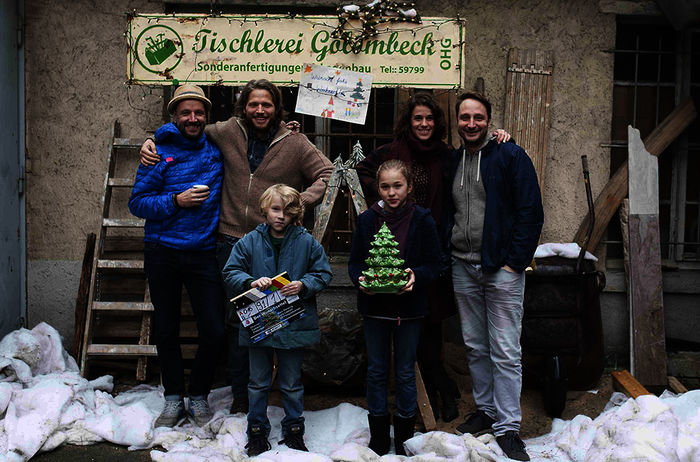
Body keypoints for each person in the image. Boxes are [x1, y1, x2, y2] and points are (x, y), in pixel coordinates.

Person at [140, 80, 333, 415]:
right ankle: (240, 393)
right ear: (244, 107)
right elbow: (187, 123)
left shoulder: (296, 143)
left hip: (271, 244)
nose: (260, 110)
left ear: (277, 109)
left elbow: (328, 173)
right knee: (232, 322)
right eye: (253, 104)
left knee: (268, 316)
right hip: (229, 243)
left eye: (267, 105)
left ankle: (265, 392)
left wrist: (296, 202)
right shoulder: (227, 131)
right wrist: (152, 139)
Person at [355, 93, 510, 423]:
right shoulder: (395, 152)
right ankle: (427, 393)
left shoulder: (447, 155)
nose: (423, 124)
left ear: (437, 123)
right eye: (417, 119)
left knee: (428, 320)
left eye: (428, 119)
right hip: (394, 246)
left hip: (433, 246)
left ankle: (438, 386)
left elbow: (477, 158)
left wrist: (499, 136)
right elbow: (363, 170)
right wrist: (383, 203)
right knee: (404, 324)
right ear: (408, 122)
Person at [448, 91, 543, 462]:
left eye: (478, 117)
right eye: (465, 117)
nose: (471, 124)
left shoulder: (510, 155)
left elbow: (530, 212)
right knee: (475, 345)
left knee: (505, 350)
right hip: (462, 265)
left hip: (501, 269)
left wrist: (514, 263)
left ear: (489, 121)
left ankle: (508, 427)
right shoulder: (454, 160)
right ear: (457, 121)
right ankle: (486, 411)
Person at [128, 85, 225, 427]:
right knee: (166, 329)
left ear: (206, 117)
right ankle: (173, 398)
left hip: (202, 252)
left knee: (213, 330)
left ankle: (197, 396)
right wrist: (176, 201)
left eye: (199, 113)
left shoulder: (216, 151)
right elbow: (137, 203)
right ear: (174, 117)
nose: (193, 119)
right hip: (162, 251)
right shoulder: (157, 153)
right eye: (186, 113)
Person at [222, 184, 332, 457]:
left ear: (295, 213)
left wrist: (303, 285)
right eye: (275, 209)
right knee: (257, 382)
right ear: (264, 210)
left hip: (294, 325)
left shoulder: (306, 242)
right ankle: (257, 432)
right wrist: (250, 281)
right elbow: (230, 271)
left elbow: (323, 273)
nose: (280, 216)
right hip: (260, 324)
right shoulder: (249, 241)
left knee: (292, 382)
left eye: (287, 211)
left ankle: (294, 430)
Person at [348, 160, 442, 456]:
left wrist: (417, 275)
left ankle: (404, 433)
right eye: (385, 186)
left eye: (397, 186)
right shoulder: (367, 220)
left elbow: (436, 263)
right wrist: (359, 279)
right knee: (376, 370)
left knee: (403, 371)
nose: (391, 192)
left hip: (409, 309)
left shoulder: (422, 219)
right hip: (375, 308)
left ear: (409, 187)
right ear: (378, 188)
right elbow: (355, 263)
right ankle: (378, 435)